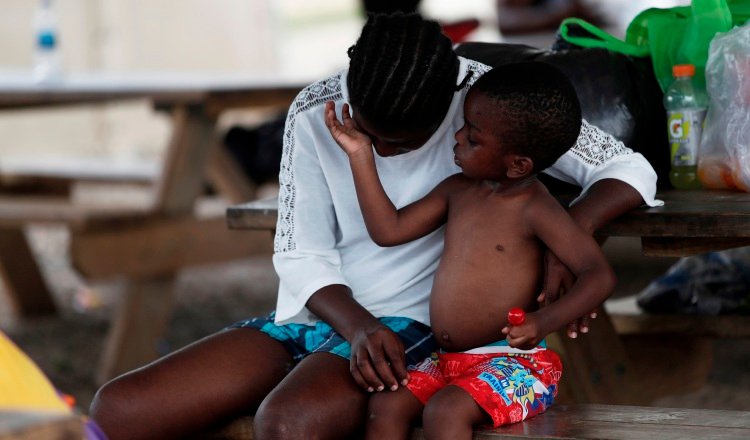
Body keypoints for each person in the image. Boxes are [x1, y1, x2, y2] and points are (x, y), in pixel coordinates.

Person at [89, 13, 660, 440]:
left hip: (407, 328)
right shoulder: (320, 107)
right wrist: (356, 326)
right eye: (372, 134)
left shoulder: (486, 103)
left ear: (450, 111)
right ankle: (308, 368)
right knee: (118, 410)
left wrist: (569, 238)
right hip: (322, 314)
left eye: (401, 142)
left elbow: (626, 165)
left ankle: (312, 379)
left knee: (289, 424)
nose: (381, 152)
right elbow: (299, 252)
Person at [325, 61, 616, 438]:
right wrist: (360, 156)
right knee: (386, 404)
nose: (458, 136)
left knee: (445, 412)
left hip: (515, 364)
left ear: (517, 165)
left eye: (474, 138)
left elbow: (599, 274)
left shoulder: (535, 208)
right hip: (447, 362)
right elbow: (388, 229)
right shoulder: (458, 190)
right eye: (464, 126)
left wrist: (544, 321)